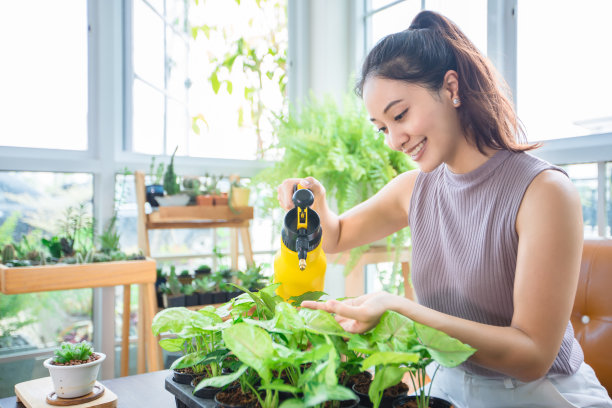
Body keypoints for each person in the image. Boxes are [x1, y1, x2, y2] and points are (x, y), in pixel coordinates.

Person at [276, 10, 612, 408]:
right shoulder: (414, 188)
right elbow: (336, 237)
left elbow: (532, 357)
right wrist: (316, 207)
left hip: (538, 395)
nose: (394, 140)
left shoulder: (544, 192)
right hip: (446, 385)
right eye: (382, 127)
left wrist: (404, 311)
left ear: (451, 87)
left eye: (400, 115)